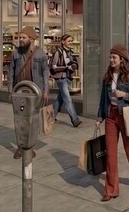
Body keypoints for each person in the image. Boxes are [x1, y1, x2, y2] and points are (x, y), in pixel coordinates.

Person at [95, 44, 129, 201]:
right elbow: (103, 99)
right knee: (110, 153)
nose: (111, 60)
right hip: (111, 116)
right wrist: (99, 117)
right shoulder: (108, 76)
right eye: (110, 57)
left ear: (122, 59)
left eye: (114, 57)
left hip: (126, 116)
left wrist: (125, 94)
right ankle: (111, 190)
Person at [9, 26, 49, 159]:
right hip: (19, 92)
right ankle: (20, 147)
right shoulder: (16, 53)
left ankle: (30, 146)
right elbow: (11, 72)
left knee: (33, 121)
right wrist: (10, 90)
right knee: (19, 120)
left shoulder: (40, 54)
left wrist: (45, 91)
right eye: (20, 37)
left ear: (31, 39)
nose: (21, 39)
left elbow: (45, 73)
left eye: (23, 37)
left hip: (35, 93)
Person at [49, 34, 82, 128]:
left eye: (71, 41)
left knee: (59, 100)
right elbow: (54, 67)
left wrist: (74, 65)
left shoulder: (70, 52)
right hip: (61, 79)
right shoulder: (57, 52)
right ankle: (75, 120)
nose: (71, 42)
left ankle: (52, 117)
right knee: (67, 99)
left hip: (67, 78)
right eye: (69, 41)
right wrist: (67, 67)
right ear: (63, 42)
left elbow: (74, 63)